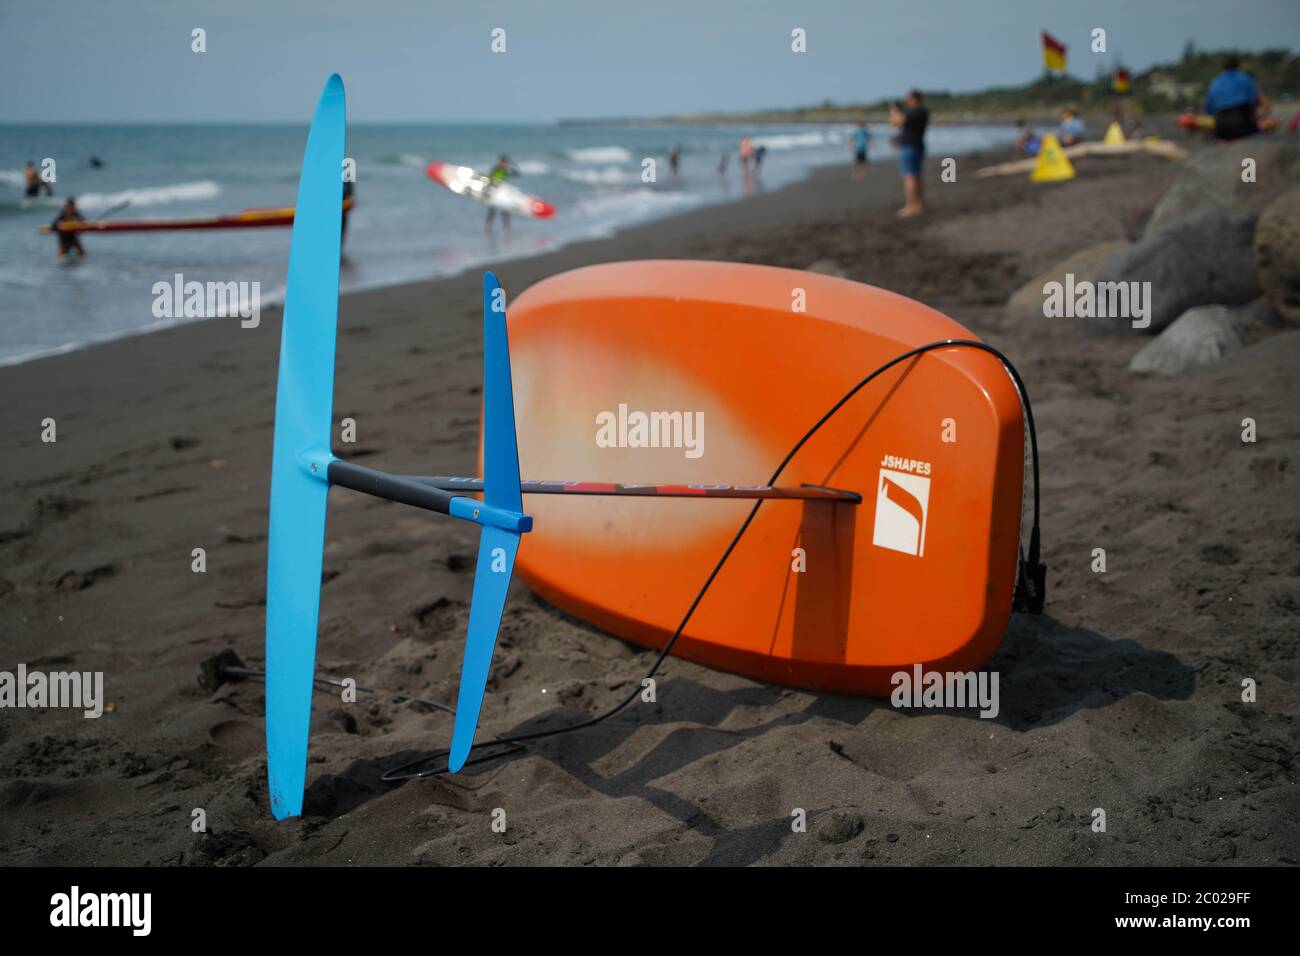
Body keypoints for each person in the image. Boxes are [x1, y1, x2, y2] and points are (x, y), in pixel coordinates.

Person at [889, 90, 928, 218]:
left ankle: (911, 206)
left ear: (913, 98)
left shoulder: (914, 111)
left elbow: (896, 122)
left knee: (909, 177)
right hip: (917, 145)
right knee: (917, 177)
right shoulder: (922, 111)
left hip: (910, 147)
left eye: (908, 97)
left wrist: (894, 110)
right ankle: (919, 205)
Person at [1205, 55, 1261, 141]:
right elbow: (1255, 100)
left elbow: (1209, 109)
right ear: (1238, 65)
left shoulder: (1215, 82)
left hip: (1222, 127)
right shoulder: (1245, 79)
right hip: (1243, 124)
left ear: (1223, 67)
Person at [484, 153, 519, 238]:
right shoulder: (495, 169)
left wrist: (513, 164)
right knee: (492, 211)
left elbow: (517, 174)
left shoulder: (505, 170)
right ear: (499, 161)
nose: (503, 163)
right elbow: (489, 178)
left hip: (502, 192)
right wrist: (487, 190)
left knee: (505, 211)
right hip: (494, 191)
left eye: (505, 162)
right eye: (503, 161)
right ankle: (488, 228)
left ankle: (506, 230)